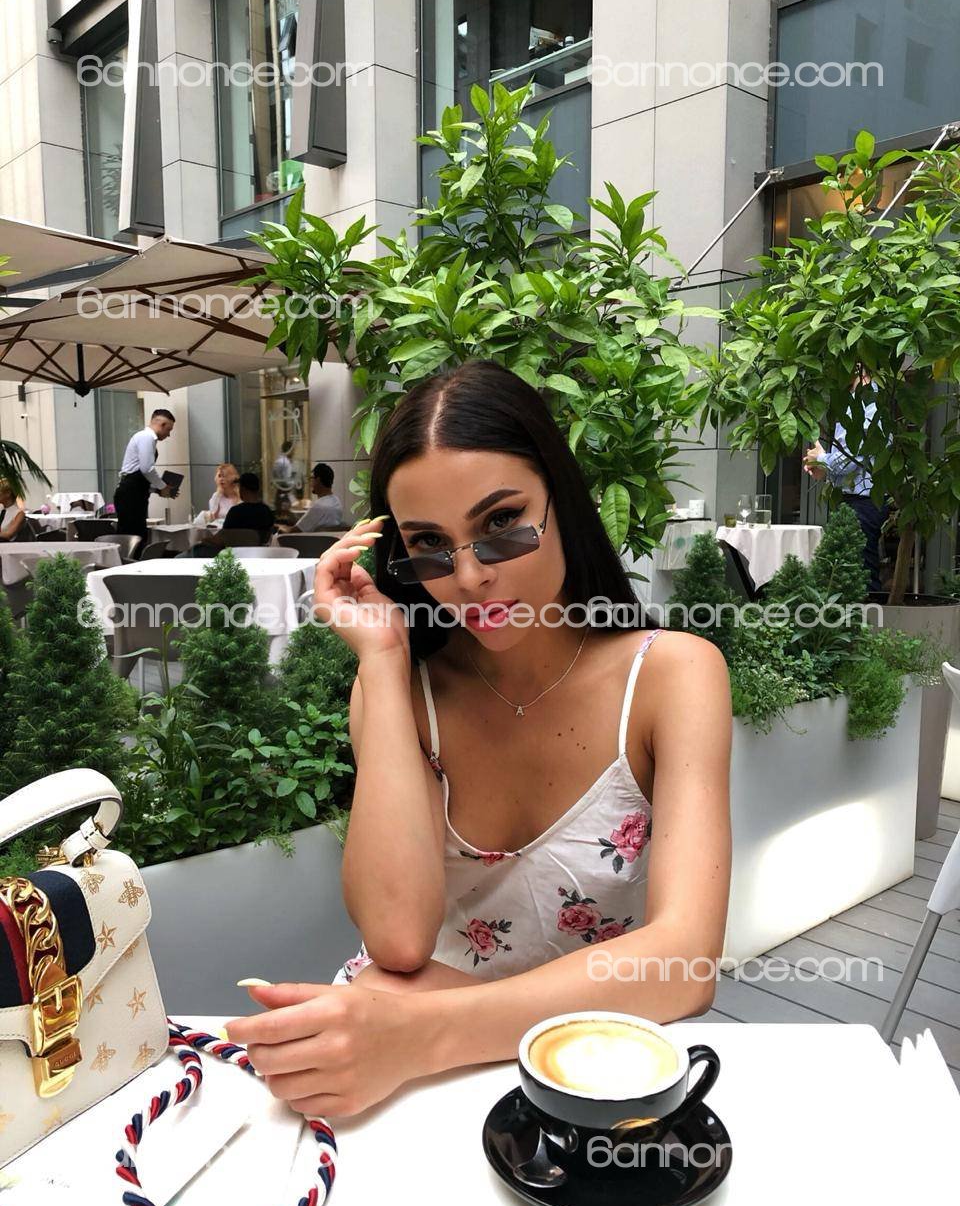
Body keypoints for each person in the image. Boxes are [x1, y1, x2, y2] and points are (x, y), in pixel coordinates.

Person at [224, 358, 732, 1120]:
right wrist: (384, 662)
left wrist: (424, 1031)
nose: (467, 577)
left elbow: (684, 964)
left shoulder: (672, 678)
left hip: (571, 1075)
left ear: (560, 496)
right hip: (405, 1078)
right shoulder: (404, 689)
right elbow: (397, 939)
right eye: (429, 543)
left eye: (500, 525)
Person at [803, 366, 892, 593]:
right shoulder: (856, 399)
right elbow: (856, 458)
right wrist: (825, 469)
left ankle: (871, 615)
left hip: (865, 500)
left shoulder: (868, 400)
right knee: (853, 573)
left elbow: (854, 455)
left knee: (862, 575)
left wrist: (821, 459)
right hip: (858, 498)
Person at [113, 409, 177, 542]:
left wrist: (157, 490)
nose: (169, 435)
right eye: (169, 430)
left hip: (133, 491)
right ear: (162, 425)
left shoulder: (145, 438)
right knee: (133, 536)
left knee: (136, 534)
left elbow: (139, 475)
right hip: (130, 494)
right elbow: (146, 469)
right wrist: (163, 487)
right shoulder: (146, 437)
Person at [278, 462, 345, 533]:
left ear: (318, 480)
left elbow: (295, 530)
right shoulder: (337, 502)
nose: (310, 483)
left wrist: (279, 527)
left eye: (311, 478)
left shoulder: (319, 506)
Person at [221, 472, 276, 543]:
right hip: (261, 549)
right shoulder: (266, 511)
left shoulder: (235, 512)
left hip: (237, 550)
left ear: (243, 489)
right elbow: (269, 535)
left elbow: (224, 536)